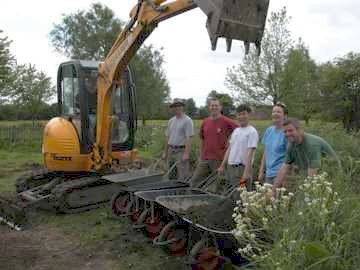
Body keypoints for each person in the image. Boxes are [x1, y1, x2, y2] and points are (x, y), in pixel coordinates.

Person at [272, 118, 341, 193]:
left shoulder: (311, 144)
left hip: (331, 178)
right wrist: (273, 191)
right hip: (316, 178)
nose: (287, 134)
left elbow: (312, 174)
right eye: (285, 132)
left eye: (290, 130)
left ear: (299, 130)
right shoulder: (292, 144)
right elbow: (283, 169)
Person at [189, 98, 238, 187]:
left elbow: (239, 130)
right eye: (212, 105)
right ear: (209, 107)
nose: (214, 107)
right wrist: (200, 155)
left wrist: (231, 140)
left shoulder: (226, 121)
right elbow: (202, 139)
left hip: (219, 159)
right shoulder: (205, 121)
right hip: (205, 158)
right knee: (194, 182)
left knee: (218, 185)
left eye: (216, 105)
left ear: (220, 107)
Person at [218, 104, 259, 191]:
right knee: (233, 194)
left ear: (249, 115)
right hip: (231, 168)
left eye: (244, 114)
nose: (241, 117)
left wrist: (246, 173)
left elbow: (250, 153)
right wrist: (222, 165)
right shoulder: (236, 131)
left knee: (242, 196)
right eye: (239, 114)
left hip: (242, 169)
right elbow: (230, 149)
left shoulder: (252, 132)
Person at [163, 99, 194, 180]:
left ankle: (183, 191)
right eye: (174, 106)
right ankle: (172, 191)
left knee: (182, 175)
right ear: (172, 108)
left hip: (181, 151)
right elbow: (167, 137)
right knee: (171, 173)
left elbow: (189, 138)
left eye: (178, 106)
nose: (176, 108)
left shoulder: (187, 120)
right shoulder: (171, 121)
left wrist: (186, 153)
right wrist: (165, 152)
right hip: (171, 150)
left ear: (182, 107)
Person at [258, 102, 288, 184]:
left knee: (278, 196)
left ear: (285, 116)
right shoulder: (269, 130)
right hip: (268, 174)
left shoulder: (287, 132)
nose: (275, 114)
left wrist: (286, 177)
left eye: (278, 112)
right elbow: (266, 153)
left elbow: (290, 156)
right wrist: (261, 171)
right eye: (274, 112)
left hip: (280, 175)